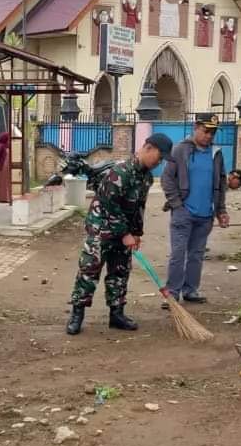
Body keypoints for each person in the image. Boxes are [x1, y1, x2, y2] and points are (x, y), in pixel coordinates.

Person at [66, 135, 172, 335]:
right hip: (102, 227)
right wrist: (125, 233)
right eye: (159, 156)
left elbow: (139, 206)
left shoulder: (146, 177)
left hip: (123, 231)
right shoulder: (120, 172)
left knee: (120, 272)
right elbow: (109, 205)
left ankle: (117, 314)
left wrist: (137, 232)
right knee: (90, 270)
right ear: (148, 148)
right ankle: (76, 315)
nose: (160, 162)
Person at [161, 114, 230, 305]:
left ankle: (191, 290)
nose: (209, 136)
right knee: (178, 254)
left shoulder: (216, 153)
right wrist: (176, 204)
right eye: (206, 131)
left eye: (213, 132)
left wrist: (221, 210)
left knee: (196, 255)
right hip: (184, 213)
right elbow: (167, 179)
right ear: (196, 127)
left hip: (205, 214)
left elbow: (221, 182)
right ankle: (172, 293)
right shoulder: (180, 150)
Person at [0, 132, 12, 203]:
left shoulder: (1, 145)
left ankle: (1, 198)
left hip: (3, 165)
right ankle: (6, 198)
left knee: (1, 182)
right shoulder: (6, 146)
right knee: (6, 182)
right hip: (6, 165)